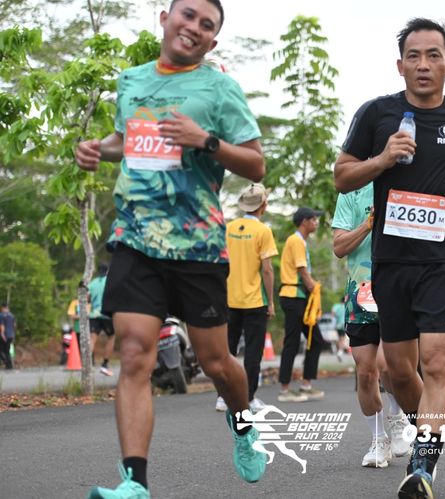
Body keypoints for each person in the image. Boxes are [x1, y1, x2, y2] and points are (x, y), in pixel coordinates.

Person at [74, 0, 268, 495]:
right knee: (134, 352)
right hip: (136, 237)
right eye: (188, 15)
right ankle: (135, 483)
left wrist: (205, 140)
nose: (194, 27)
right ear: (165, 18)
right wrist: (98, 149)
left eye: (207, 24)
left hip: (197, 246)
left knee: (217, 363)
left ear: (213, 40)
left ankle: (244, 427)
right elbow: (126, 139)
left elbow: (255, 164)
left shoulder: (219, 88)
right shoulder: (131, 80)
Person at [333, 18, 445, 497]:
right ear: (400, 65)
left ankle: (423, 467)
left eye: (433, 56)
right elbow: (342, 176)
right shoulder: (376, 114)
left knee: (438, 364)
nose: (423, 64)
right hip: (391, 260)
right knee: (398, 372)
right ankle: (428, 429)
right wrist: (383, 159)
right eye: (414, 55)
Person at [332, 181, 411, 468]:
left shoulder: (405, 183)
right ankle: (379, 440)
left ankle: (397, 417)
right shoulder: (351, 192)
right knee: (365, 372)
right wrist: (368, 224)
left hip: (397, 290)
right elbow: (339, 247)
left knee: (388, 366)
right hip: (361, 293)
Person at [215, 183, 277, 414]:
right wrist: (270, 301)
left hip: (229, 299)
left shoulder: (228, 228)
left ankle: (222, 398)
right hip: (254, 301)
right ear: (264, 205)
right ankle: (248, 399)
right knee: (253, 352)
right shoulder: (263, 231)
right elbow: (267, 270)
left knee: (227, 350)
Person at [277, 206, 326, 402]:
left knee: (316, 340)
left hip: (300, 297)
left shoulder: (301, 241)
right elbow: (302, 271)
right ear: (304, 221)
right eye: (313, 219)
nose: (316, 222)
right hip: (293, 295)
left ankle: (306, 384)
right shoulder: (295, 240)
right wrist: (314, 287)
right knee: (292, 342)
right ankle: (284, 389)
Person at [89, 264, 116, 376]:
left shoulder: (92, 283)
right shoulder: (110, 281)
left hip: (94, 314)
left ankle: (89, 364)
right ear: (108, 271)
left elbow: (87, 298)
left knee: (92, 339)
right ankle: (105, 364)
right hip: (107, 314)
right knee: (111, 337)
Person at [0, 303, 17, 370]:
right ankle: (9, 365)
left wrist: (2, 334)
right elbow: (14, 325)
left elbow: (2, 326)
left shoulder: (1, 315)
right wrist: (13, 334)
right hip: (11, 335)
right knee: (7, 350)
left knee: (3, 350)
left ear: (2, 308)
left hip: (5, 335)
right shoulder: (12, 315)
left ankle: (7, 363)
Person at [331, 296, 347, 361]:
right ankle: (340, 352)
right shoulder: (346, 307)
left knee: (339, 338)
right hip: (343, 325)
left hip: (337, 325)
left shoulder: (336, 306)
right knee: (342, 339)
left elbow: (333, 314)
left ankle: (338, 351)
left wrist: (337, 316)